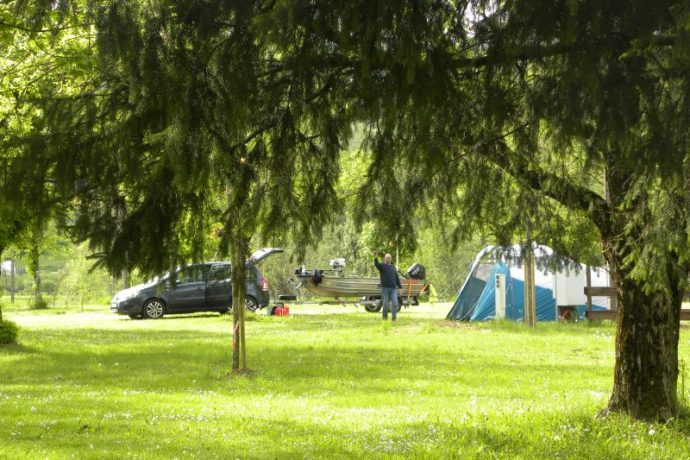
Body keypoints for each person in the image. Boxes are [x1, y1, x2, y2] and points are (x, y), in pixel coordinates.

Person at [374, 253, 402, 321]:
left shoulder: (393, 267)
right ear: (384, 259)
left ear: (391, 259)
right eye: (386, 258)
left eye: (389, 258)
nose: (388, 259)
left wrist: (400, 287)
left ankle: (394, 318)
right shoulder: (382, 266)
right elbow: (377, 264)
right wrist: (376, 257)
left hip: (393, 289)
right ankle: (384, 318)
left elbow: (396, 278)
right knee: (385, 304)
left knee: (395, 303)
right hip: (385, 288)